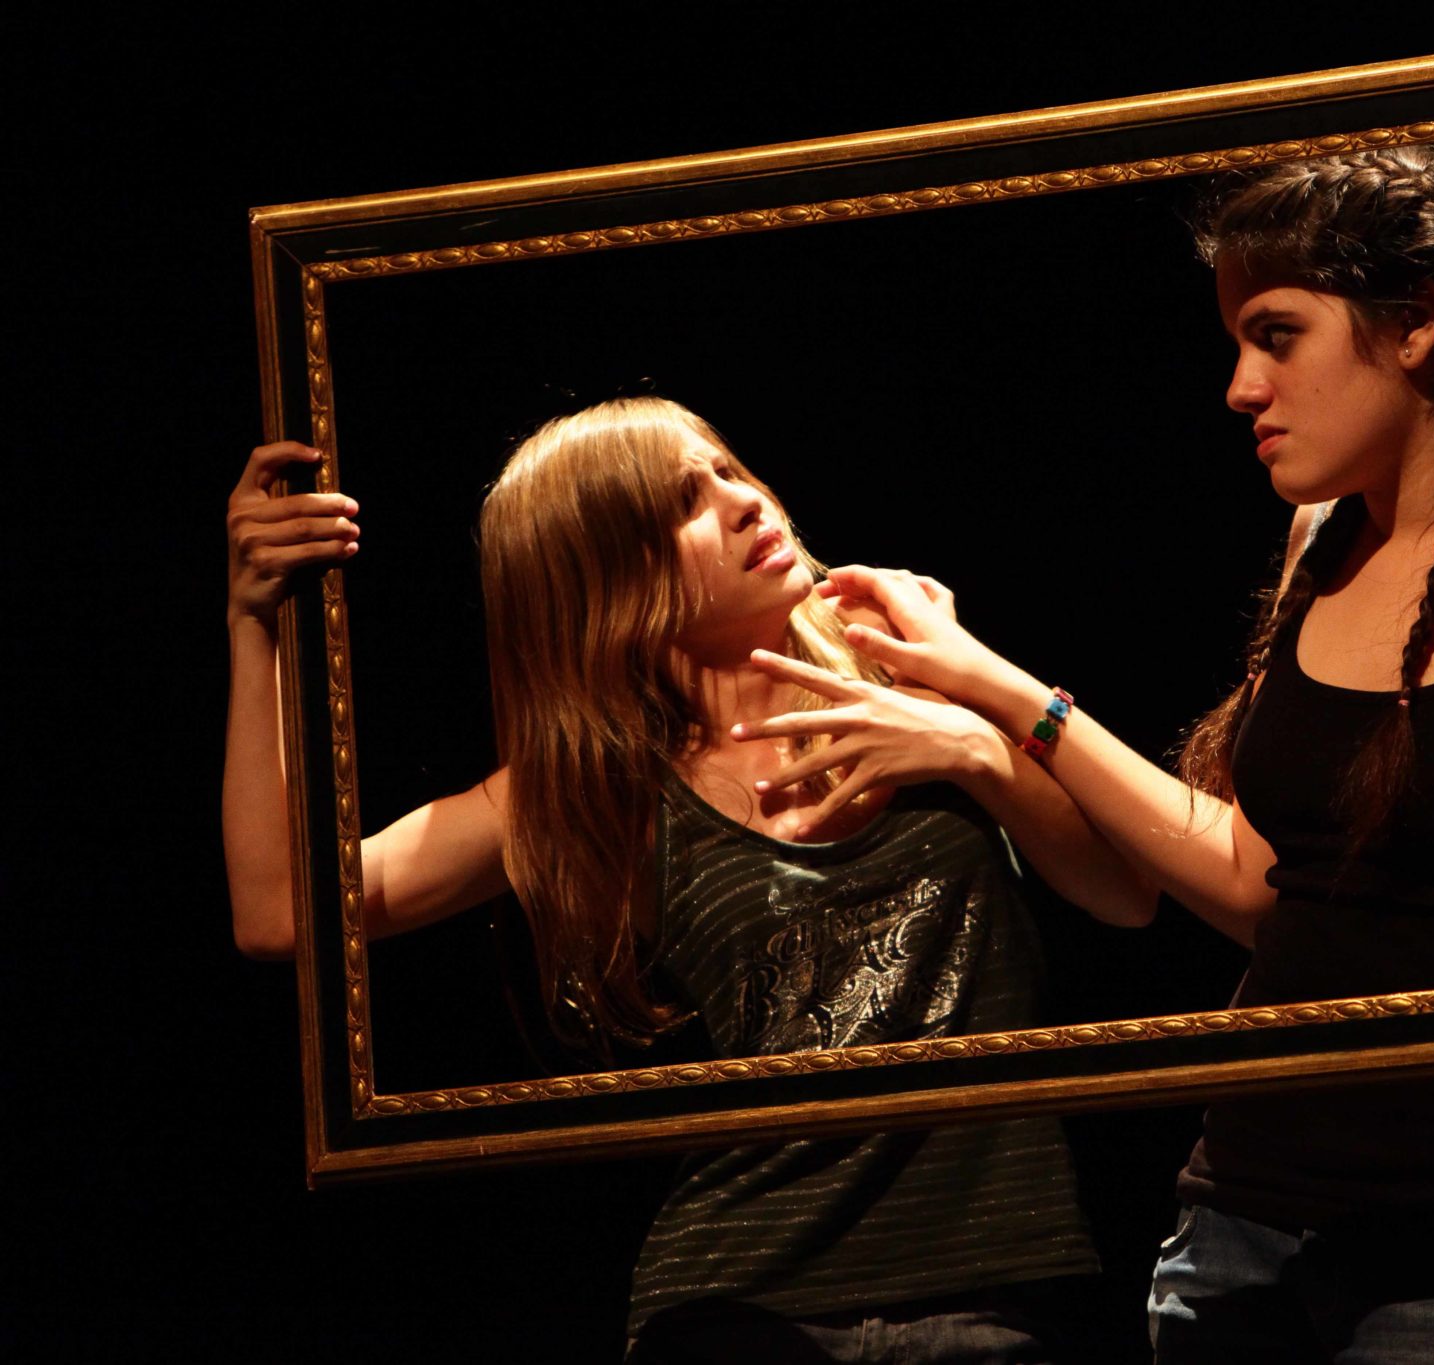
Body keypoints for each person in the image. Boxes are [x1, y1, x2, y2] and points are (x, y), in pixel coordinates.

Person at [746, 146, 1434, 1362]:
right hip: (1244, 1220)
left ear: (1413, 323)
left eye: (1276, 336)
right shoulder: (1320, 537)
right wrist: (990, 688)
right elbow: (1255, 883)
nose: (1238, 387)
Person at [222, 396, 1156, 1361]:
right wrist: (254, 623)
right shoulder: (601, 789)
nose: (745, 500)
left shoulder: (910, 656)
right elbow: (279, 910)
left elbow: (1126, 895)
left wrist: (978, 751)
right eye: (683, 503)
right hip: (740, 1309)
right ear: (608, 578)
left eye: (728, 469)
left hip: (997, 1294)